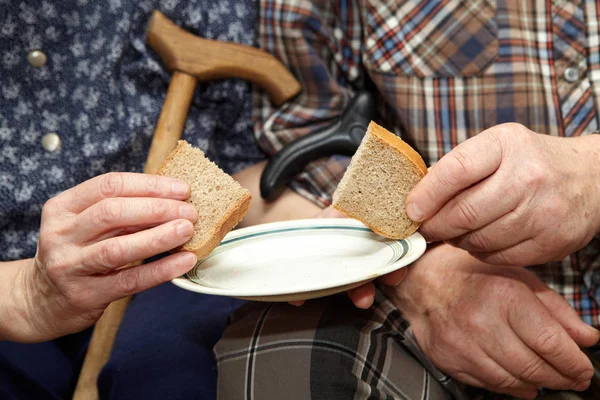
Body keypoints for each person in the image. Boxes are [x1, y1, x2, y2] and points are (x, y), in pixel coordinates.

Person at [213, 0, 600, 399]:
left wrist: (591, 172)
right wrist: (421, 272)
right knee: (277, 353)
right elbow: (301, 141)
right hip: (429, 314)